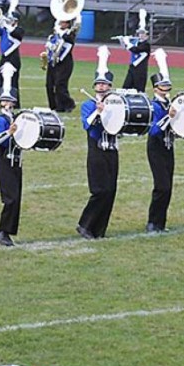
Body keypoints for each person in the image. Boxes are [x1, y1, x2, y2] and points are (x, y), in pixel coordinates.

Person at [77, 49, 119, 240]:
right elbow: (87, 125)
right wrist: (98, 112)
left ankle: (99, 230)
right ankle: (84, 224)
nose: (101, 87)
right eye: (99, 84)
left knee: (110, 190)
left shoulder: (117, 104)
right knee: (99, 190)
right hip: (96, 150)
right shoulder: (88, 105)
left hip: (112, 150)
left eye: (105, 84)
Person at [0, 63, 22, 247]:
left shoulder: (17, 118)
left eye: (11, 101)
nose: (9, 104)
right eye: (5, 101)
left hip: (17, 160)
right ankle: (1, 232)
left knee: (17, 197)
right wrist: (9, 132)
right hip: (4, 160)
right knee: (10, 198)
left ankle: (8, 231)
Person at [146, 49, 176, 233]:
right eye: (162, 86)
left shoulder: (169, 103)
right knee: (161, 186)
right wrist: (169, 117)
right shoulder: (153, 105)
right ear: (155, 88)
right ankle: (152, 222)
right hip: (156, 147)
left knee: (168, 187)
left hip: (168, 146)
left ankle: (161, 223)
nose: (166, 90)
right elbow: (154, 129)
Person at [0, 1, 24, 108]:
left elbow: (15, 34)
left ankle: (14, 102)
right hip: (4, 56)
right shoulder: (5, 29)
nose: (9, 21)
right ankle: (2, 101)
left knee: (12, 80)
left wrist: (6, 23)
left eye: (11, 20)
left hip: (13, 57)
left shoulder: (19, 30)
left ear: (15, 21)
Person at [45, 19, 77, 112]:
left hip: (65, 63)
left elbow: (68, 39)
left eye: (63, 22)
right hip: (53, 61)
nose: (61, 24)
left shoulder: (70, 33)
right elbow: (52, 43)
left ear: (67, 24)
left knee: (60, 84)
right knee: (49, 85)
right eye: (61, 22)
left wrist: (60, 33)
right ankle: (53, 105)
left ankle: (68, 104)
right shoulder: (55, 33)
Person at [118, 8, 150, 92]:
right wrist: (122, 40)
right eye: (139, 33)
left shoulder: (146, 45)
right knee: (125, 88)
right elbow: (125, 47)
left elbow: (135, 50)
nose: (141, 35)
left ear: (147, 36)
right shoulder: (135, 41)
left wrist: (127, 42)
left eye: (143, 33)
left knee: (139, 90)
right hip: (132, 68)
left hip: (140, 70)